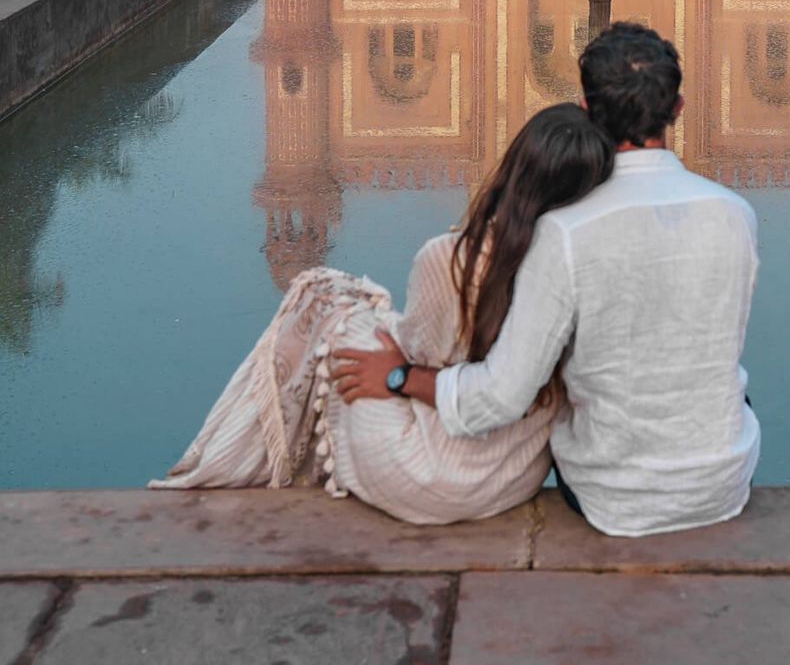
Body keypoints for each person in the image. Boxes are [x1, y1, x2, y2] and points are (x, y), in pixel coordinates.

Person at [336, 22, 761, 537]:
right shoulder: (736, 214)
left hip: (617, 498)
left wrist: (400, 378)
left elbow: (502, 396)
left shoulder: (565, 231)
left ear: (586, 109)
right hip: (724, 483)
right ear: (678, 108)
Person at [150, 102, 613, 524]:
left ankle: (228, 460)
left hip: (425, 469)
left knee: (323, 302)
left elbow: (416, 355)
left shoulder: (451, 258)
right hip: (513, 475)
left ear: (514, 168)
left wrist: (392, 366)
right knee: (353, 317)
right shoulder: (590, 267)